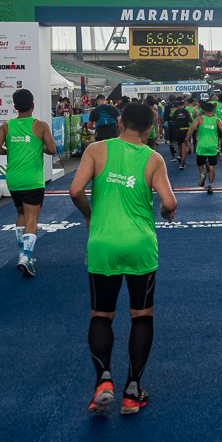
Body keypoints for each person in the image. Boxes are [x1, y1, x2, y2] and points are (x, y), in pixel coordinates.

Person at [68, 102, 177, 415]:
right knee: (141, 316)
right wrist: (164, 211)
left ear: (120, 123)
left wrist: (90, 217)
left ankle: (103, 380)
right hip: (140, 245)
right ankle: (132, 391)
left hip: (103, 243)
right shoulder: (153, 158)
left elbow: (75, 191)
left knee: (102, 315)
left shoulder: (96, 150)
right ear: (148, 129)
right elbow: (169, 201)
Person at [0, 89, 58, 277]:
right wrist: (37, 147)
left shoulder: (7, 126)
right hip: (32, 179)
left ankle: (23, 254)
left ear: (14, 106)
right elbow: (52, 149)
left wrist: (11, 151)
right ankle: (26, 257)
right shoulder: (40, 126)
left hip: (13, 178)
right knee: (32, 219)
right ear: (33, 105)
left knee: (21, 213)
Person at [186, 100, 222, 194]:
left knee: (200, 164)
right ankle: (209, 185)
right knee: (212, 167)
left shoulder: (199, 119)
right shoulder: (216, 120)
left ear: (203, 110)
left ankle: (202, 173)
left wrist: (187, 139)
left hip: (201, 146)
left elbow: (191, 129)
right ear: (213, 111)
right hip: (212, 147)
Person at [170, 97, 193, 169]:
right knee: (184, 146)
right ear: (183, 103)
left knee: (179, 146)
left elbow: (171, 118)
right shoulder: (187, 110)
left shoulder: (174, 111)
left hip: (177, 130)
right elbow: (191, 120)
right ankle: (183, 162)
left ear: (176, 103)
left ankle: (181, 159)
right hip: (185, 130)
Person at [213, 94, 222, 160]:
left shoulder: (214, 104)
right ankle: (221, 153)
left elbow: (212, 112)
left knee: (215, 137)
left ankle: (216, 151)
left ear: (218, 98)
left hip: (215, 123)